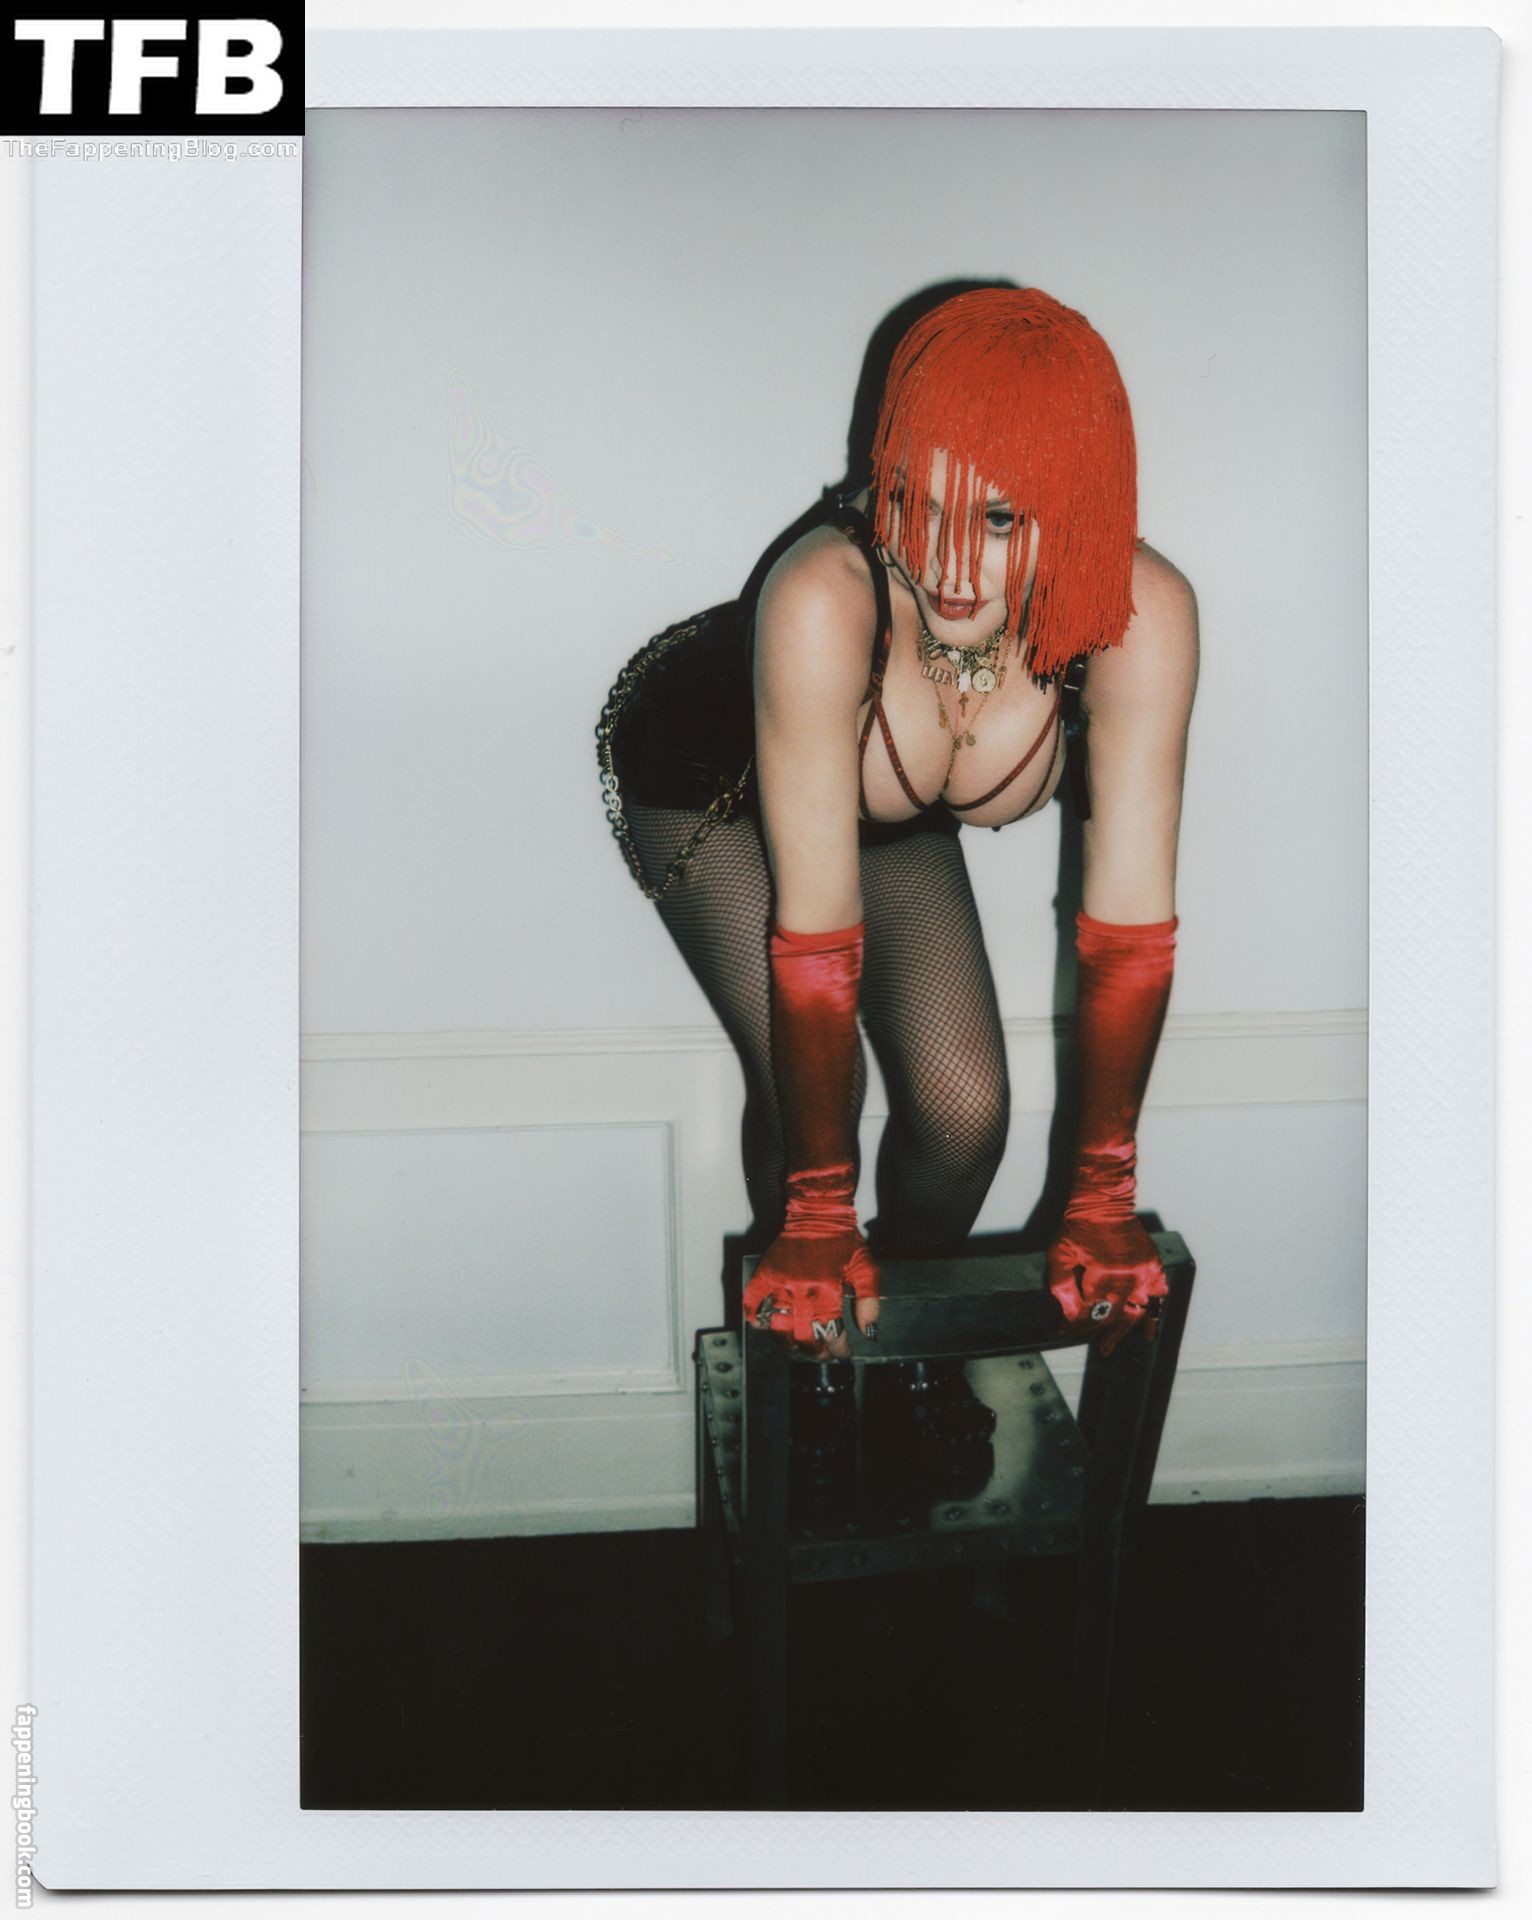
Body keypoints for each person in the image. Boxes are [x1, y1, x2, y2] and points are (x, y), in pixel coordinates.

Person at [596, 285, 1198, 1376]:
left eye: (1001, 519)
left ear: (1079, 502)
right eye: (920, 503)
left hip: (877, 798)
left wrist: (1101, 1196)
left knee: (965, 1117)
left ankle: (895, 1353)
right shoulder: (824, 597)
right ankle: (810, 1364)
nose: (952, 568)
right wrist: (820, 1220)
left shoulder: (1139, 616)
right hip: (710, 777)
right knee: (811, 1106)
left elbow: (1130, 928)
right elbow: (814, 937)